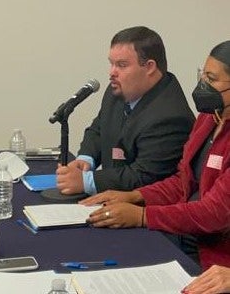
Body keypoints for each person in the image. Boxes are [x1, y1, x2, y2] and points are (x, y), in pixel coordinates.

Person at [81, 40, 230, 270]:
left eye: (211, 79)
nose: (202, 85)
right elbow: (182, 182)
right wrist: (134, 196)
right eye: (203, 75)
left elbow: (214, 213)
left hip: (217, 259)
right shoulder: (210, 118)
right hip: (184, 235)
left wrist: (142, 216)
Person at [57, 26, 195, 195]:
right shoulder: (118, 90)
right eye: (111, 64)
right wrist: (86, 158)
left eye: (122, 65)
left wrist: (88, 182)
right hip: (112, 201)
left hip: (143, 211)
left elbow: (146, 176)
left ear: (150, 67)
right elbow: (99, 129)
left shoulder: (170, 117)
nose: (112, 73)